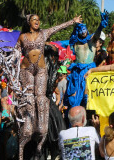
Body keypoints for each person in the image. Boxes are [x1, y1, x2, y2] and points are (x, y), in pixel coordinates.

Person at [15, 13, 82, 160]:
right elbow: (15, 53)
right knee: (29, 100)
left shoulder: (44, 34)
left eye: (39, 20)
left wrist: (73, 21)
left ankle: (41, 137)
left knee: (40, 98)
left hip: (40, 69)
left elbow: (57, 28)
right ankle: (27, 136)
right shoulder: (22, 37)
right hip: (26, 70)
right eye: (34, 20)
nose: (37, 22)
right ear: (29, 23)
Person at [65, 12, 107, 109]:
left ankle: (88, 119)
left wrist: (101, 26)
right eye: (81, 30)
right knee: (73, 98)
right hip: (77, 72)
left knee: (88, 97)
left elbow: (97, 33)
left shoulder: (91, 40)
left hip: (89, 71)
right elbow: (72, 38)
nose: (83, 32)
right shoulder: (75, 42)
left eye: (85, 30)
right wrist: (74, 24)